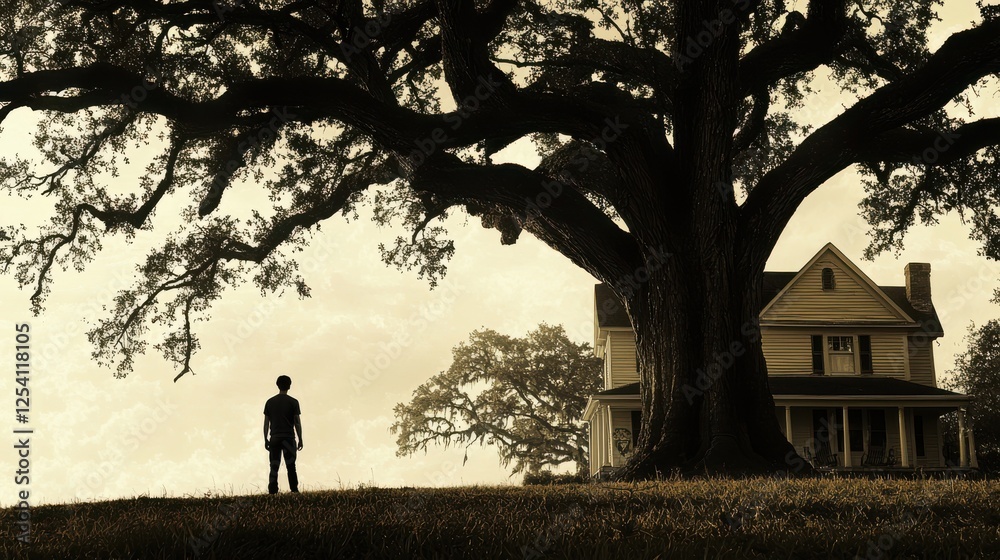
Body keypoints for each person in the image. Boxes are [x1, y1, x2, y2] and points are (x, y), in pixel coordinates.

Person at [263, 375, 303, 494]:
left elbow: (266, 424)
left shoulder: (269, 402)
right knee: (291, 466)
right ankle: (294, 490)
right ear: (289, 386)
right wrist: (300, 438)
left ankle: (273, 491)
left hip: (275, 438)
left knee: (274, 466)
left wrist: (265, 438)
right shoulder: (293, 402)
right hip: (288, 438)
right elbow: (297, 422)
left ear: (277, 385)